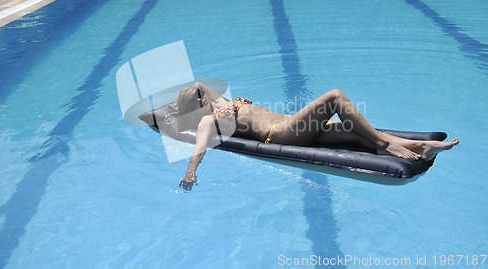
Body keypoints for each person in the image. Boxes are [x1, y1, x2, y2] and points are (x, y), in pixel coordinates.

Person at [174, 82, 459, 190]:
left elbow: (199, 84)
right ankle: (385, 145)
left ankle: (423, 147)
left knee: (354, 131)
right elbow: (200, 147)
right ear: (197, 109)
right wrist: (190, 173)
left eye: (201, 95)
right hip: (282, 134)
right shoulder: (210, 120)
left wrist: (196, 97)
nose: (203, 96)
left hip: (294, 127)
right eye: (198, 99)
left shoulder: (222, 105)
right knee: (335, 97)